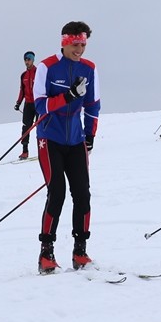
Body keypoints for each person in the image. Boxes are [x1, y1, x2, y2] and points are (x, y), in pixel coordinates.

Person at [33, 21, 100, 273]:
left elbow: (93, 105)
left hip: (75, 140)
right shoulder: (47, 67)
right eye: (75, 44)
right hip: (49, 138)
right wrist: (67, 97)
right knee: (57, 192)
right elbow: (40, 105)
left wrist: (90, 134)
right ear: (64, 43)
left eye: (83, 44)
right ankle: (46, 253)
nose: (79, 49)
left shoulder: (89, 69)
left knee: (82, 193)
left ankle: (80, 250)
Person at [13, 51, 37, 160]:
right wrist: (18, 102)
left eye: (29, 59)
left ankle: (44, 148)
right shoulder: (23, 75)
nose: (27, 61)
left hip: (38, 103)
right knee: (26, 127)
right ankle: (25, 151)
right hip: (28, 104)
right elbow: (22, 90)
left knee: (42, 126)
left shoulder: (38, 72)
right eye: (25, 59)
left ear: (33, 60)